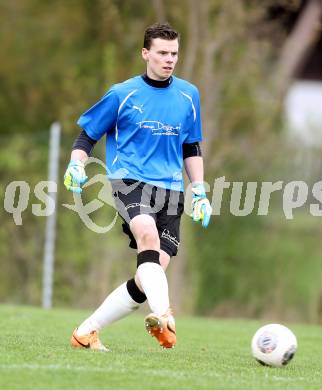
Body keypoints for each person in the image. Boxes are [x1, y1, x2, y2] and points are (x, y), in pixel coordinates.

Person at [64, 22, 212, 351]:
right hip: (129, 179)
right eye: (162, 53)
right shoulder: (122, 94)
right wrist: (77, 163)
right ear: (146, 53)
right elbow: (88, 134)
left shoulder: (189, 95)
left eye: (174, 53)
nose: (169, 59)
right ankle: (164, 318)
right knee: (145, 231)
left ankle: (86, 332)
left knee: (151, 271)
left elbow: (191, 147)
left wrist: (199, 190)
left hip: (171, 189)